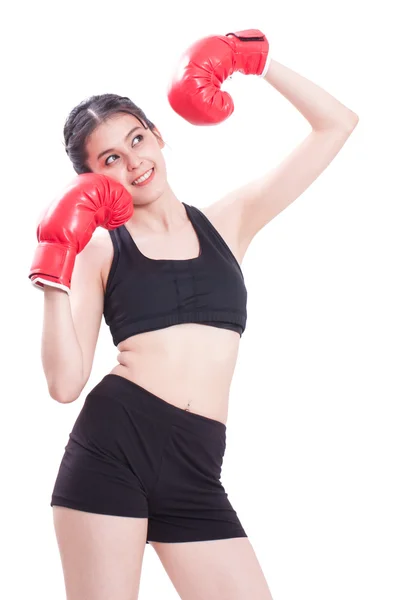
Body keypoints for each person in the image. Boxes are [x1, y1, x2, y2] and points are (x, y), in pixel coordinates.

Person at [29, 28, 358, 600]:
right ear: (91, 178)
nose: (133, 162)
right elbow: (64, 384)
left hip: (196, 469)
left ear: (158, 136)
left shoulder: (230, 222)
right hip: (114, 450)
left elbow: (338, 124)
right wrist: (53, 266)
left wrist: (254, 58)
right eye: (110, 158)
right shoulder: (102, 249)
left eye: (137, 139)